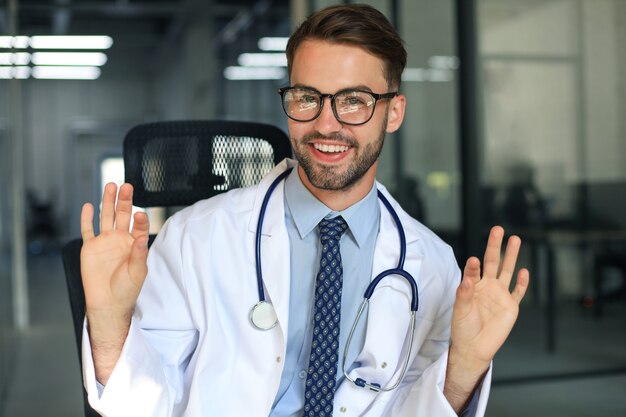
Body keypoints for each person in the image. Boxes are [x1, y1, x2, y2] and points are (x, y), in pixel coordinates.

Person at [79, 4, 529, 417]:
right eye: (307, 97)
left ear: (393, 113)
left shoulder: (431, 266)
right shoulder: (193, 238)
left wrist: (466, 365)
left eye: (354, 100)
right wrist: (107, 321)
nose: (326, 123)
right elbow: (143, 404)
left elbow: (420, 408)